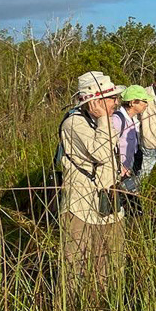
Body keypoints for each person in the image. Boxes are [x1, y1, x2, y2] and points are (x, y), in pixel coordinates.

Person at [56, 71, 125, 292]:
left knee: (111, 266)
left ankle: (106, 310)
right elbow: (101, 153)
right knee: (75, 268)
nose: (116, 102)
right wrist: (105, 119)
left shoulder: (100, 122)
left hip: (108, 204)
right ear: (93, 101)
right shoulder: (74, 124)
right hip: (81, 207)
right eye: (111, 98)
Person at [112, 84, 151, 195]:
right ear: (133, 102)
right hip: (118, 171)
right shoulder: (117, 119)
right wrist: (119, 167)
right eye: (144, 101)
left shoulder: (134, 120)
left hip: (129, 170)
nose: (146, 105)